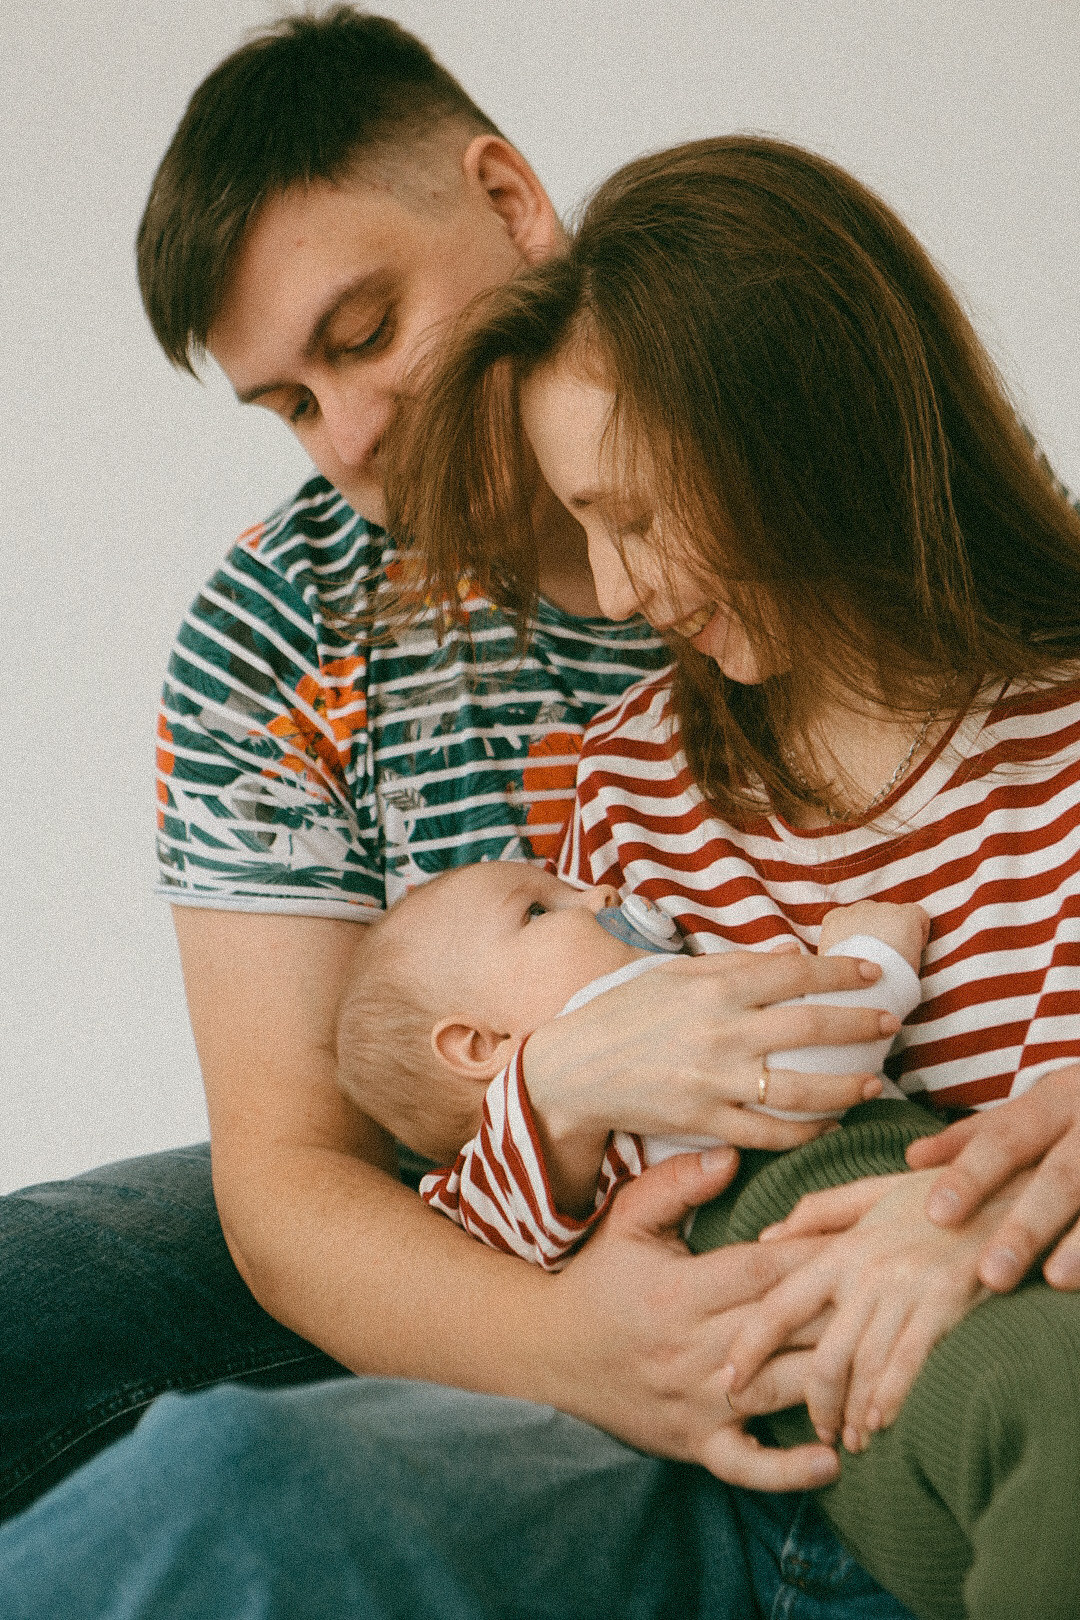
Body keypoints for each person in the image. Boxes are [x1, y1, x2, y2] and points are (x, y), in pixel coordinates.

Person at [0, 12, 925, 1620]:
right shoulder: (278, 632)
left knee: (223, 1490)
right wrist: (578, 1349)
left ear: (508, 200)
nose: (349, 439)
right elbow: (293, 1180)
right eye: (288, 402)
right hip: (454, 1217)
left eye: (365, 335)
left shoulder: (771, 473)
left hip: (815, 1162)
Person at [378, 131, 1080, 1617]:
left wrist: (969, 1232)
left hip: (1006, 1420)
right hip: (726, 1474)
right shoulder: (629, 795)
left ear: (803, 437)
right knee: (217, 1482)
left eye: (635, 514)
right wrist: (559, 1097)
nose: (620, 591)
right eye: (584, 526)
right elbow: (519, 1225)